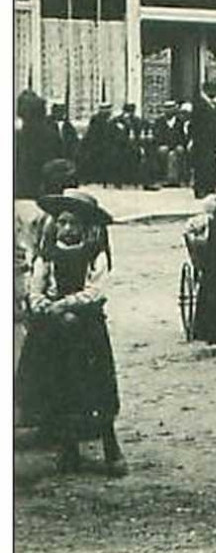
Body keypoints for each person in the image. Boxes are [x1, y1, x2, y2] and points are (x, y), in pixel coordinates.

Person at [16, 190, 126, 477]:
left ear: (86, 227)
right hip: (53, 330)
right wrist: (44, 306)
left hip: (84, 329)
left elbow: (96, 291)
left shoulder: (94, 255)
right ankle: (67, 446)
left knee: (95, 386)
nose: (67, 229)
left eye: (73, 223)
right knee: (58, 386)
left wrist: (68, 305)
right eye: (62, 222)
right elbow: (35, 288)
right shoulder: (48, 255)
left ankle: (110, 447)